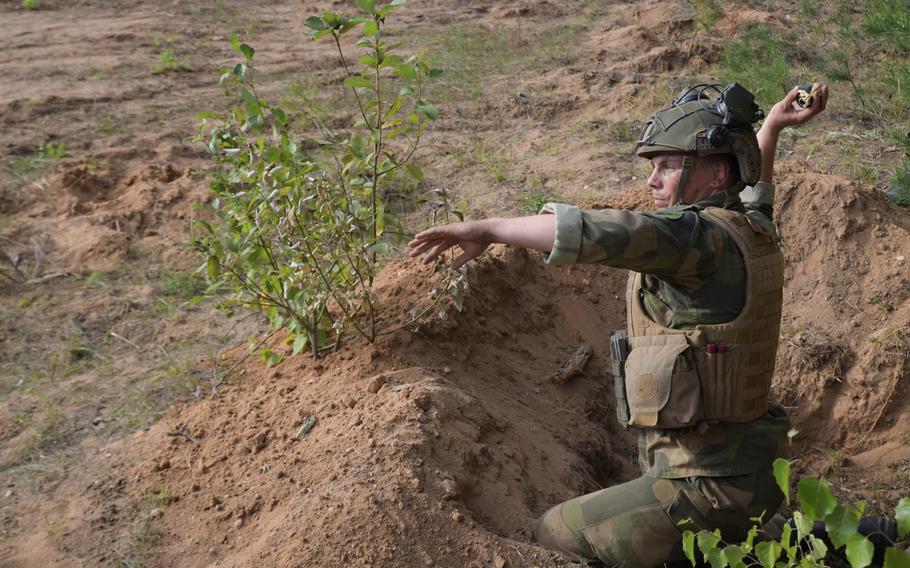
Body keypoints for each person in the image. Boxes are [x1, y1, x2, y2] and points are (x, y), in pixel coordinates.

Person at [408, 82, 828, 566]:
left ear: (715, 174)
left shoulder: (694, 240)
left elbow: (601, 232)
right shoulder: (750, 226)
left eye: (667, 166)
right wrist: (770, 128)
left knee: (553, 533)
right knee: (748, 538)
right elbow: (752, 189)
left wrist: (488, 228)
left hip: (704, 486)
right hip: (749, 478)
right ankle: (858, 538)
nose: (653, 181)